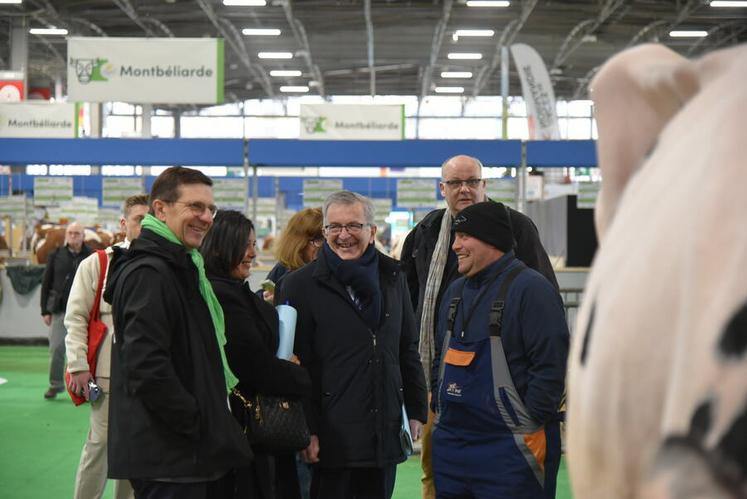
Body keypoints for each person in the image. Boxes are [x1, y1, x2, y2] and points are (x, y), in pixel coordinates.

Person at [399, 154, 558, 499]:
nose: (465, 189)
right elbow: (412, 306)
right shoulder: (426, 234)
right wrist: (433, 390)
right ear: (443, 188)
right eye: (456, 183)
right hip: (447, 397)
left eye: (472, 181)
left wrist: (528, 416)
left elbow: (549, 344)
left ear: (485, 185)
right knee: (436, 475)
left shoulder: (518, 233)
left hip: (509, 408)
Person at [103, 167, 253, 499]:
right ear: (160, 209)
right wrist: (197, 422)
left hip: (182, 456)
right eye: (195, 207)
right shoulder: (150, 274)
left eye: (210, 209)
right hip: (170, 457)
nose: (206, 217)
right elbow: (147, 367)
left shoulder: (182, 266)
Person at [276, 191, 428, 499]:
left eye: (354, 226)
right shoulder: (298, 285)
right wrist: (308, 430)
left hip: (383, 431)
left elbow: (406, 346)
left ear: (371, 231)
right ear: (325, 232)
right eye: (335, 227)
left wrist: (415, 409)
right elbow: (292, 367)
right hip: (331, 437)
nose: (344, 235)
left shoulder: (394, 277)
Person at [431, 201, 569, 499]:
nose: (455, 246)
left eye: (464, 236)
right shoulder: (455, 293)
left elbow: (550, 367)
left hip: (511, 450)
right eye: (455, 237)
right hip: (453, 447)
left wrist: (528, 422)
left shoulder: (532, 290)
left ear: (492, 239)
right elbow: (438, 359)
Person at [201, 210, 312, 499]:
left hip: (252, 428)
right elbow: (254, 367)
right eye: (245, 244)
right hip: (244, 429)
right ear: (221, 246)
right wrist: (299, 375)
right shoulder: (222, 297)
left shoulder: (233, 290)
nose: (252, 252)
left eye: (253, 243)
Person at [64, 194, 148, 499]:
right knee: (99, 445)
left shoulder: (164, 264)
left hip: (149, 373)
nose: (146, 225)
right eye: (140, 219)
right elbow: (75, 318)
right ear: (124, 224)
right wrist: (78, 366)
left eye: (152, 219)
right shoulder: (98, 263)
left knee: (136, 448)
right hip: (107, 372)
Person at [40, 221, 93, 399]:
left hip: (86, 312)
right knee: (56, 349)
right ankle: (55, 385)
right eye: (70, 233)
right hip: (59, 310)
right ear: (65, 236)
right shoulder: (55, 255)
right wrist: (44, 310)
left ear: (83, 236)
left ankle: (87, 389)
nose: (73, 236)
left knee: (90, 352)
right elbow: (46, 283)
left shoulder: (92, 256)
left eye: (77, 233)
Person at [264, 207, 324, 302]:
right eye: (318, 240)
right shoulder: (283, 268)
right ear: (298, 244)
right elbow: (261, 295)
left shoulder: (330, 272)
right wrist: (267, 299)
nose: (323, 247)